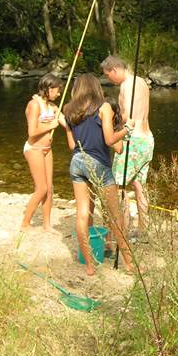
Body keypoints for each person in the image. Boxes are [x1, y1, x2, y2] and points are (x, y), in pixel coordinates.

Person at [63, 73, 135, 275]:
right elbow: (110, 139)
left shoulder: (68, 111)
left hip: (77, 162)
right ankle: (129, 263)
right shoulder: (103, 107)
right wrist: (126, 129)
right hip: (98, 164)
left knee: (83, 213)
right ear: (95, 87)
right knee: (115, 216)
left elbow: (71, 145)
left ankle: (89, 265)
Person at [101, 55, 154, 234]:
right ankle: (143, 230)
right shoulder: (142, 82)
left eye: (108, 75)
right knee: (139, 186)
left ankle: (121, 231)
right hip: (147, 139)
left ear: (114, 70)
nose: (109, 79)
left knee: (118, 186)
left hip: (134, 141)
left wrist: (108, 117)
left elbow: (128, 117)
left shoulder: (126, 85)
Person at [20, 73, 67, 233]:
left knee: (49, 187)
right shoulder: (34, 105)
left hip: (47, 150)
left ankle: (47, 225)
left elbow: (67, 124)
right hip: (34, 149)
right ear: (49, 88)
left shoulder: (53, 107)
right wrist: (51, 125)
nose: (59, 94)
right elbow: (32, 132)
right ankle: (25, 223)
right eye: (57, 90)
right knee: (41, 188)